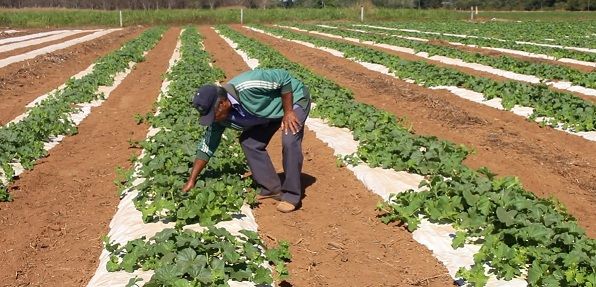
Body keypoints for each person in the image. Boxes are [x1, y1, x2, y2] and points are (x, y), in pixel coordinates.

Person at [182, 68, 311, 213]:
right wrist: (192, 179)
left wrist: (288, 112)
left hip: (293, 100)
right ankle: (272, 188)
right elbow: (207, 145)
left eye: (214, 114)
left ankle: (291, 196)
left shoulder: (248, 85)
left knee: (290, 139)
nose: (214, 119)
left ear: (223, 103)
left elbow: (284, 78)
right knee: (249, 142)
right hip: (268, 114)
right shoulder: (219, 119)